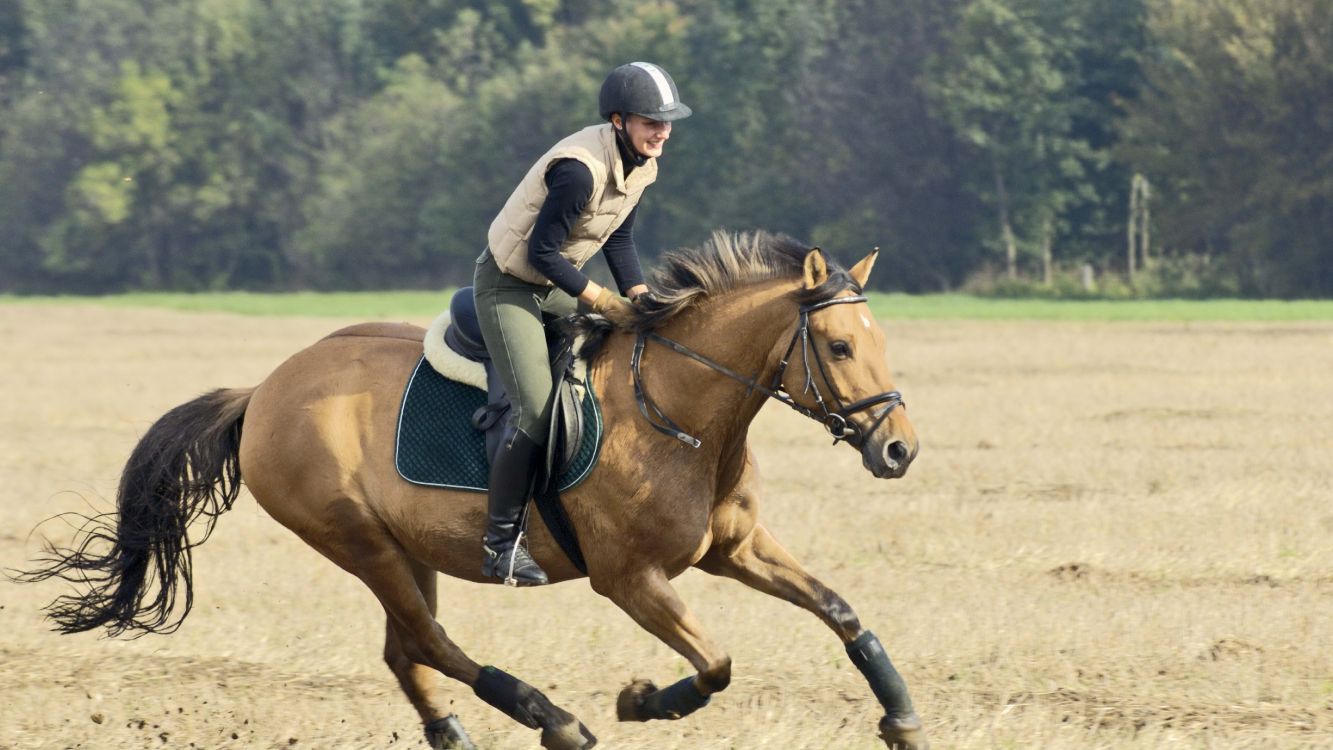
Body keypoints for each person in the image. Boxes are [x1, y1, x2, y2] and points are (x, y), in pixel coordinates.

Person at [473, 62, 692, 585]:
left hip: (552, 287)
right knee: (536, 409)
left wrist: (639, 298)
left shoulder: (642, 163)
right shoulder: (579, 171)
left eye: (666, 122)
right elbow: (542, 253)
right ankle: (500, 543)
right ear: (618, 120)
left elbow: (617, 237)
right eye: (649, 121)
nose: (661, 131)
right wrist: (604, 301)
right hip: (510, 287)